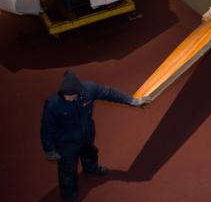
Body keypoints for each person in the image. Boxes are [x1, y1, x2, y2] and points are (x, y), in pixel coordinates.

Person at [41, 70, 152, 202]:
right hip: (66, 143)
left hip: (87, 133)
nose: (67, 98)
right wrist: (49, 149)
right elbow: (46, 128)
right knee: (67, 170)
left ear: (79, 90)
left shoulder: (89, 89)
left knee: (90, 152)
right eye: (65, 95)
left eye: (71, 95)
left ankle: (91, 167)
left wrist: (132, 101)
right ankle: (69, 195)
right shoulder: (53, 104)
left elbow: (110, 93)